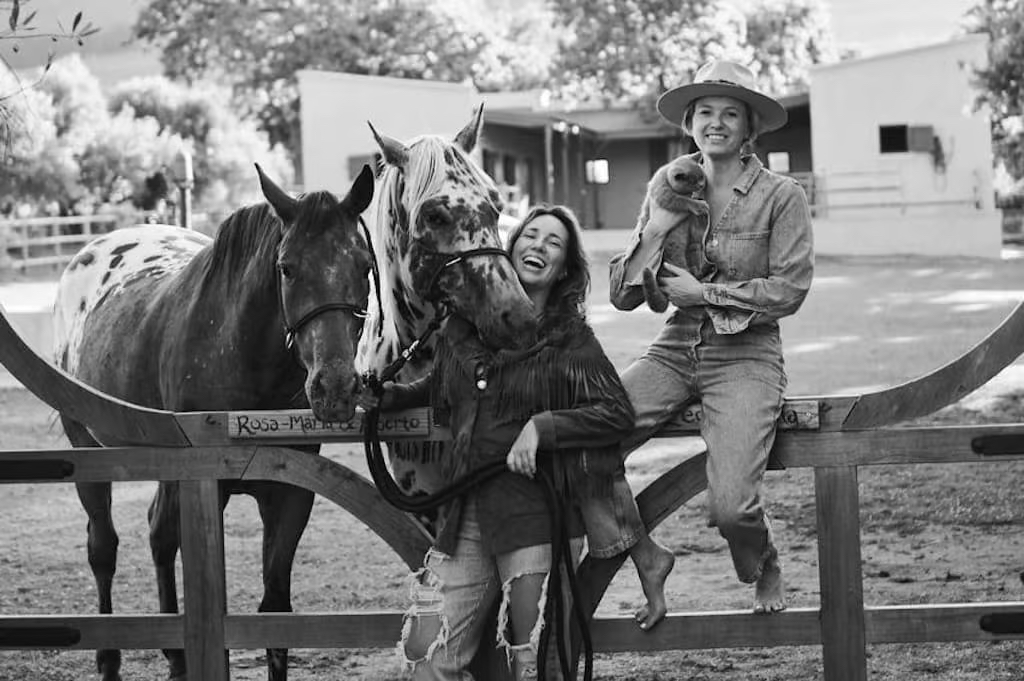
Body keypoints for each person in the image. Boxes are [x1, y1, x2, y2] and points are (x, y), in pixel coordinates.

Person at [366, 205, 638, 680]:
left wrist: (543, 428)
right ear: (508, 250)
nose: (538, 246)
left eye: (554, 242)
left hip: (537, 518)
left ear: (565, 267)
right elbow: (438, 388)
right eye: (530, 235)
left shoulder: (570, 340)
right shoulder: (462, 329)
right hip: (465, 517)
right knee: (423, 654)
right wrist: (384, 398)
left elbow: (615, 411)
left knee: (529, 661)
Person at [604, 59, 815, 616]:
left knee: (732, 508)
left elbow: (790, 289)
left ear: (750, 129)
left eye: (729, 114)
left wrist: (709, 295)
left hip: (746, 353)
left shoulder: (781, 195)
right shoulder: (668, 187)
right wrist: (655, 227)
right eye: (704, 113)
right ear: (690, 123)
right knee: (589, 440)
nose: (715, 123)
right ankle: (646, 554)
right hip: (675, 348)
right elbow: (622, 295)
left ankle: (763, 557)